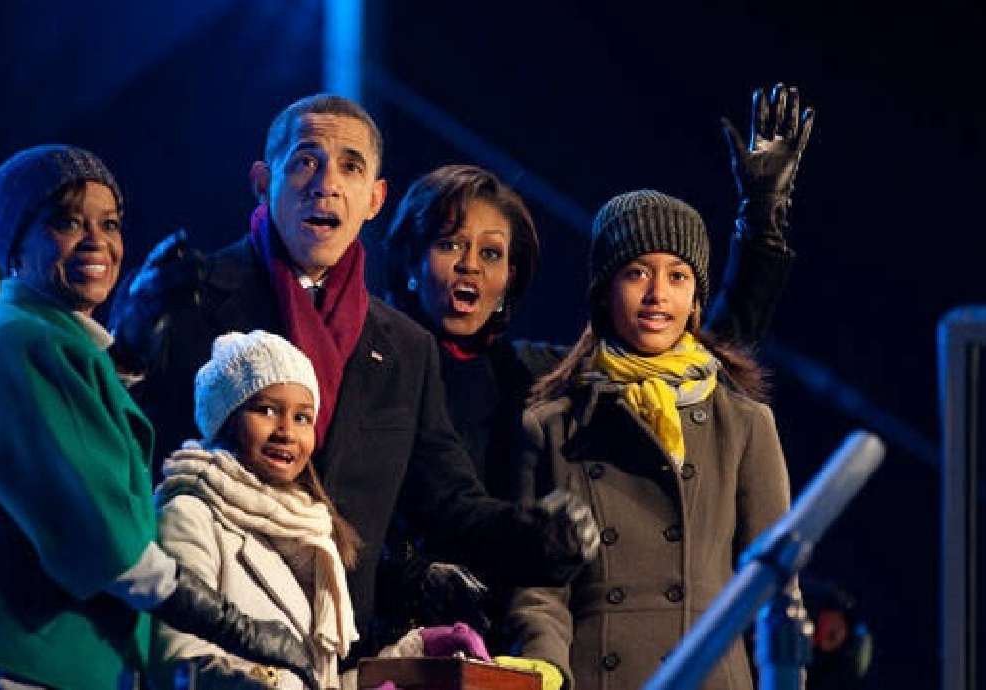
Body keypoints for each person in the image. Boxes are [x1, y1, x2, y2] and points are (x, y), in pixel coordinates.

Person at [109, 95, 600, 661]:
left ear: (374, 199)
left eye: (350, 166)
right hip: (202, 636)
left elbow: (449, 501)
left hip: (334, 653)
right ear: (262, 181)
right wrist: (129, 344)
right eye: (305, 161)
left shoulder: (405, 349)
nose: (326, 184)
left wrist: (538, 538)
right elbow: (120, 455)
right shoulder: (189, 301)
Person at [375, 82, 814, 645]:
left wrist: (763, 223)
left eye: (490, 253)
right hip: (394, 637)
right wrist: (410, 577)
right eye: (449, 245)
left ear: (511, 279)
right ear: (411, 260)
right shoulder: (372, 370)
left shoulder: (537, 379)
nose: (469, 268)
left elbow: (687, 358)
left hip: (509, 641)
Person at [0, 145, 316, 690]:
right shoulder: (22, 348)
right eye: (66, 222)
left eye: (109, 223)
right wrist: (244, 631)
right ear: (15, 246)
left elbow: (79, 422)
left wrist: (128, 353)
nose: (97, 241)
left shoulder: (49, 346)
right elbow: (111, 547)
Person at [507, 188, 798, 690]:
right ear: (604, 288)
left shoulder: (747, 425)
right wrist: (545, 669)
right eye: (637, 272)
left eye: (678, 276)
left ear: (696, 299)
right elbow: (539, 589)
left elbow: (772, 590)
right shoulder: (552, 426)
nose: (657, 294)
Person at [151, 329, 360, 690]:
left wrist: (407, 659)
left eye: (302, 417)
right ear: (226, 418)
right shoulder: (190, 513)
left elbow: (316, 681)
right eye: (266, 410)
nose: (287, 433)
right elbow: (179, 662)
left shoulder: (306, 531)